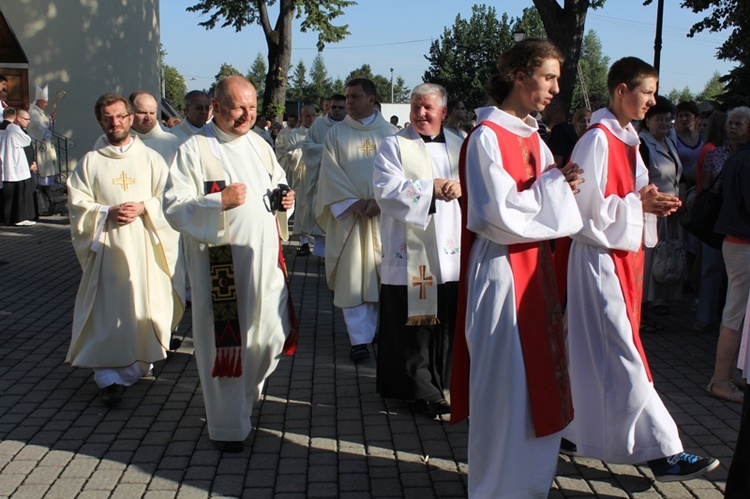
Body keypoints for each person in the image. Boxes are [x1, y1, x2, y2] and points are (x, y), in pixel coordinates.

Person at [563, 56, 719, 482]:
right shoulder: (596, 140)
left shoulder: (627, 136)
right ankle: (665, 451)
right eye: (646, 92)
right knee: (624, 352)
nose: (652, 101)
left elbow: (629, 194)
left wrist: (650, 202)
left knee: (591, 348)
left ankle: (570, 427)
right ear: (621, 91)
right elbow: (580, 209)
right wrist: (638, 205)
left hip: (619, 254)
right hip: (598, 258)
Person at [449, 39, 584, 497]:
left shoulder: (533, 136)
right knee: (503, 391)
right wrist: (554, 187)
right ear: (520, 76)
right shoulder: (486, 137)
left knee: (534, 387)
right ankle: (492, 490)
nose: (555, 88)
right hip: (502, 272)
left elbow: (547, 197)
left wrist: (560, 184)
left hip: (534, 270)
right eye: (549, 77)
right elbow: (493, 216)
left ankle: (529, 485)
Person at [164, 75, 297, 453]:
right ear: (216, 108)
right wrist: (216, 202)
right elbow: (173, 205)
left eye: (252, 108)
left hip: (262, 259)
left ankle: (245, 397)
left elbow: (278, 183)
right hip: (221, 264)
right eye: (238, 108)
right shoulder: (194, 150)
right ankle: (227, 427)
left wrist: (285, 199)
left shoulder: (260, 144)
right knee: (228, 347)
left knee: (271, 334)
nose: (246, 115)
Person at [66, 93, 185, 407]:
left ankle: (135, 366)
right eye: (108, 117)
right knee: (108, 310)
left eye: (120, 116)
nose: (115, 122)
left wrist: (145, 206)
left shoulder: (150, 159)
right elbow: (77, 204)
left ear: (130, 118)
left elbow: (170, 200)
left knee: (145, 308)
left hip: (146, 246)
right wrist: (105, 212)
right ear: (100, 121)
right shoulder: (91, 162)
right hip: (107, 248)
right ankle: (107, 375)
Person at [373, 83, 463, 418]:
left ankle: (446, 381)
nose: (420, 113)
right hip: (411, 254)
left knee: (446, 324)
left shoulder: (460, 143)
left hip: (451, 252)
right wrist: (430, 189)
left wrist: (461, 187)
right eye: (415, 106)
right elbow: (385, 190)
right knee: (417, 325)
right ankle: (420, 388)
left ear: (443, 112)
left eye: (427, 108)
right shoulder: (394, 145)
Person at [316, 78, 398, 362]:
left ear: (372, 101)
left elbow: (401, 173)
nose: (348, 102)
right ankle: (358, 340)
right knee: (353, 278)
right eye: (347, 97)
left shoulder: (392, 134)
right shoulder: (336, 134)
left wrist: (381, 200)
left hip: (383, 218)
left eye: (354, 97)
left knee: (379, 275)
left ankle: (374, 330)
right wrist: (356, 202)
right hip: (350, 217)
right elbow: (330, 173)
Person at [707, 106, 750, 404]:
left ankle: (729, 375)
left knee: (736, 312)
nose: (734, 127)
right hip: (742, 243)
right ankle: (720, 380)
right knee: (734, 313)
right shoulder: (744, 158)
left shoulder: (738, 156)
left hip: (737, 241)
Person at [638, 96, 683, 319]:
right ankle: (643, 306)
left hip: (670, 212)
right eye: (660, 120)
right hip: (651, 212)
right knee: (651, 258)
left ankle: (657, 300)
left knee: (665, 256)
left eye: (668, 120)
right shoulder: (642, 144)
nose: (665, 124)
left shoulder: (670, 143)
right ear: (648, 121)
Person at [298, 94, 346, 258]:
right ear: (328, 107)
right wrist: (328, 152)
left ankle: (340, 252)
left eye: (341, 107)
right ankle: (320, 252)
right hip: (321, 178)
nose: (337, 111)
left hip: (342, 180)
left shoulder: (351, 126)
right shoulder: (318, 125)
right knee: (321, 209)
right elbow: (307, 146)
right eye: (334, 107)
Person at [692, 111, 727, 334]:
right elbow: (704, 187)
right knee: (711, 267)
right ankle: (705, 316)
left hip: (729, 218)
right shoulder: (713, 153)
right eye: (730, 124)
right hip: (714, 216)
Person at [0, 108, 36, 226]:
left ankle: (7, 218)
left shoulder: (2, 127)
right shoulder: (13, 128)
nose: (28, 121)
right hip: (15, 165)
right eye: (26, 119)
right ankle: (19, 218)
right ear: (16, 118)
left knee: (8, 192)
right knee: (20, 192)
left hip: (5, 164)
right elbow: (27, 140)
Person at [289, 105, 316, 256]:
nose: (311, 119)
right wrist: (304, 149)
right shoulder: (295, 134)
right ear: (302, 118)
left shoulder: (320, 131)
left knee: (317, 207)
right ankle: (304, 242)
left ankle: (319, 243)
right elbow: (290, 154)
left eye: (313, 115)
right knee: (303, 208)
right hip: (303, 174)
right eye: (307, 116)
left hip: (317, 175)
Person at [28, 84, 58, 187]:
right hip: (40, 145)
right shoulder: (34, 113)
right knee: (43, 166)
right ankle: (42, 187)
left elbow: (47, 126)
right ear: (39, 101)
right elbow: (41, 128)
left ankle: (48, 186)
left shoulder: (41, 112)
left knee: (49, 164)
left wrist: (50, 118)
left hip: (46, 145)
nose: (46, 104)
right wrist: (49, 121)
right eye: (44, 102)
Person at [542, 94, 578, 167]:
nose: (542, 109)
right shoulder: (569, 129)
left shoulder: (559, 131)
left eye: (545, 105)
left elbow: (555, 166)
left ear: (555, 108)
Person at [275, 114, 298, 179]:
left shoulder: (299, 132)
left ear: (296, 122)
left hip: (296, 158)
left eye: (292, 121)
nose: (290, 122)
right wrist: (289, 150)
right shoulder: (282, 132)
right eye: (289, 121)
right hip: (286, 158)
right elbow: (278, 144)